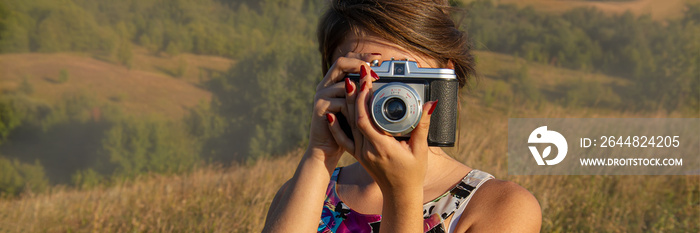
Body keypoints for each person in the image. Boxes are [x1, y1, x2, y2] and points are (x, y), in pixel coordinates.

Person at [263, 0, 541, 232]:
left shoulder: (500, 207)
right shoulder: (303, 192)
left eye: (406, 78)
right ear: (333, 81)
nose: (389, 97)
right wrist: (319, 154)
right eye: (367, 75)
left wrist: (402, 195)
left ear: (446, 79)